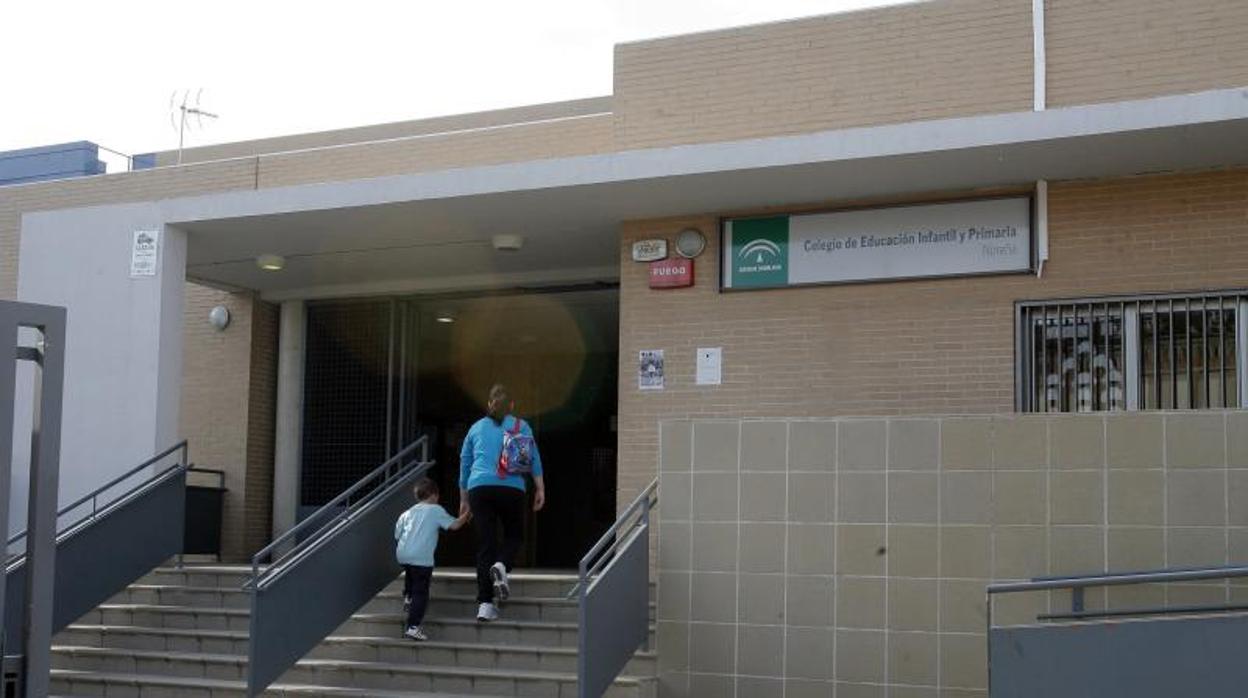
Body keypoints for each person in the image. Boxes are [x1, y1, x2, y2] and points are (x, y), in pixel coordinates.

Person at [459, 383, 545, 622]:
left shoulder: (476, 428)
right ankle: (502, 565)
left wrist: (463, 499)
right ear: (512, 406)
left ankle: (485, 604)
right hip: (511, 488)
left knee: (486, 544)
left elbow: (464, 464)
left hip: (479, 488)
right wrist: (540, 487)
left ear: (489, 404)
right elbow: (533, 458)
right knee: (514, 536)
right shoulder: (522, 426)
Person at [394, 477, 471, 641]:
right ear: (434, 495)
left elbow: (397, 534)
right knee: (421, 592)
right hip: (422, 558)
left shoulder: (407, 513)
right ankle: (413, 627)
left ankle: (407, 596)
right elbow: (455, 525)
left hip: (403, 554)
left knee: (410, 572)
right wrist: (467, 513)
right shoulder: (435, 510)